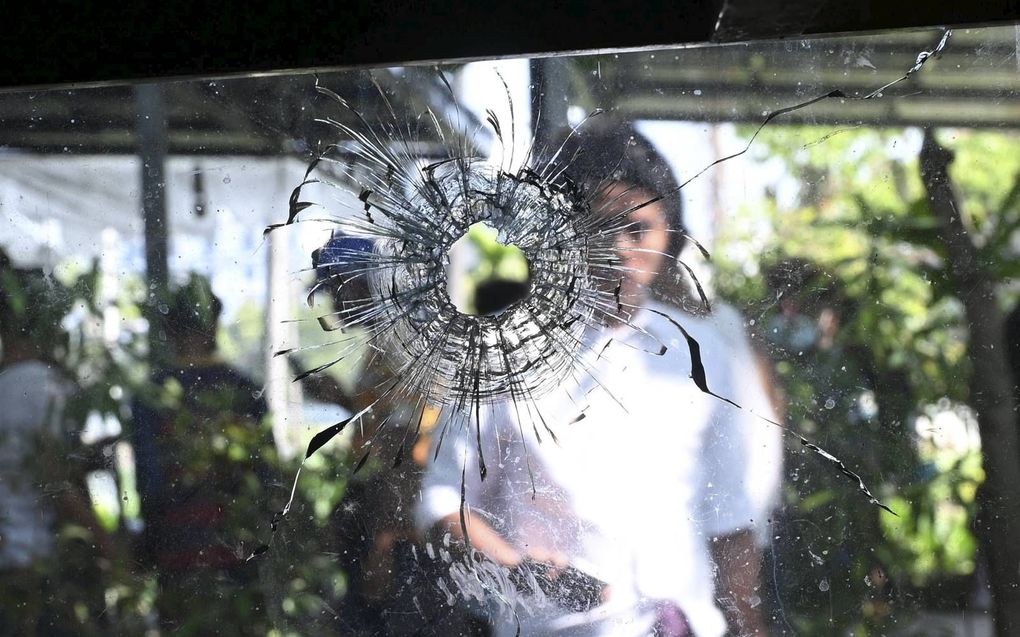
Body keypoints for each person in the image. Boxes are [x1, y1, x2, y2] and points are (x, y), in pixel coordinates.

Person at [416, 120, 780, 636]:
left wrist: (750, 624)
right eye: (601, 228)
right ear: (561, 231)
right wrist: (521, 572)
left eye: (639, 231)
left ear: (669, 237)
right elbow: (443, 504)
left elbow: (731, 518)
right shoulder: (500, 351)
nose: (621, 251)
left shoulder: (702, 353)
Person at [132, 273, 275, 635]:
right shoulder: (244, 390)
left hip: (179, 552)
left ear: (169, 329)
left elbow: (149, 483)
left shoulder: (152, 395)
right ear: (214, 324)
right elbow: (269, 476)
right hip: (238, 549)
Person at [0, 249, 111, 635]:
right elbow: (59, 484)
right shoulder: (44, 386)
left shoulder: (8, 385)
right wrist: (114, 554)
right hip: (35, 564)